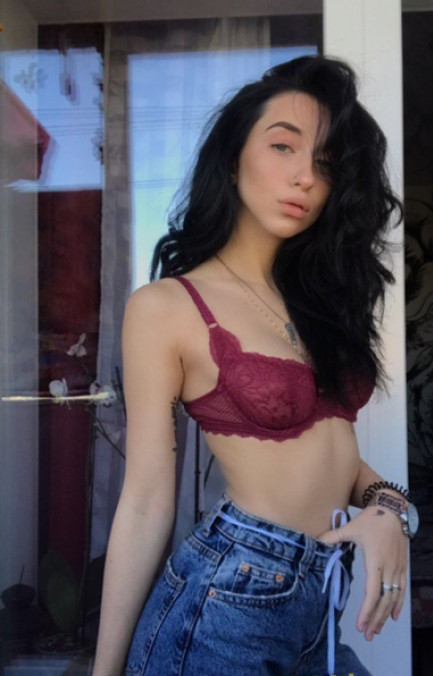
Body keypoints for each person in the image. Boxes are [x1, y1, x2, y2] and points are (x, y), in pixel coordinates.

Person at [92, 55, 414, 676]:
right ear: (233, 156)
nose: (305, 178)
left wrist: (389, 513)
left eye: (325, 163)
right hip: (225, 603)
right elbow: (146, 500)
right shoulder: (167, 306)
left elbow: (334, 458)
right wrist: (104, 671)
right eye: (282, 146)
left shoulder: (316, 304)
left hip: (320, 606)